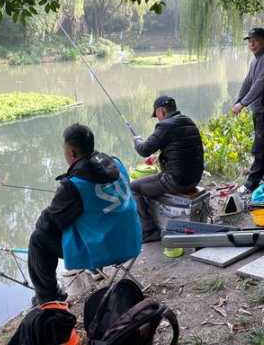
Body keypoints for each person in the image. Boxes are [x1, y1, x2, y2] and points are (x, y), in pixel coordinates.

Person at [27, 124, 141, 305]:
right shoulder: (116, 163)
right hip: (132, 241)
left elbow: (47, 224)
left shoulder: (74, 185)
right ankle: (96, 270)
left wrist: (60, 198)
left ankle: (49, 299)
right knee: (94, 218)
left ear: (71, 153)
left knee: (38, 239)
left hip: (107, 249)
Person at [132, 96, 204, 242]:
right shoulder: (187, 121)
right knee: (151, 182)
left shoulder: (165, 126)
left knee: (133, 187)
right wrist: (159, 156)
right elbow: (180, 149)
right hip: (195, 178)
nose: (157, 119)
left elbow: (144, 150)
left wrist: (137, 140)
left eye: (156, 115)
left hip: (177, 181)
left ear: (162, 111)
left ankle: (148, 231)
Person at [232, 28, 264, 194]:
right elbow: (248, 82)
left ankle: (251, 184)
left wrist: (243, 104)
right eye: (249, 41)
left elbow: (260, 84)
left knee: (260, 147)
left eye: (255, 40)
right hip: (260, 109)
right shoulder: (256, 59)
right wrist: (238, 100)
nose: (251, 44)